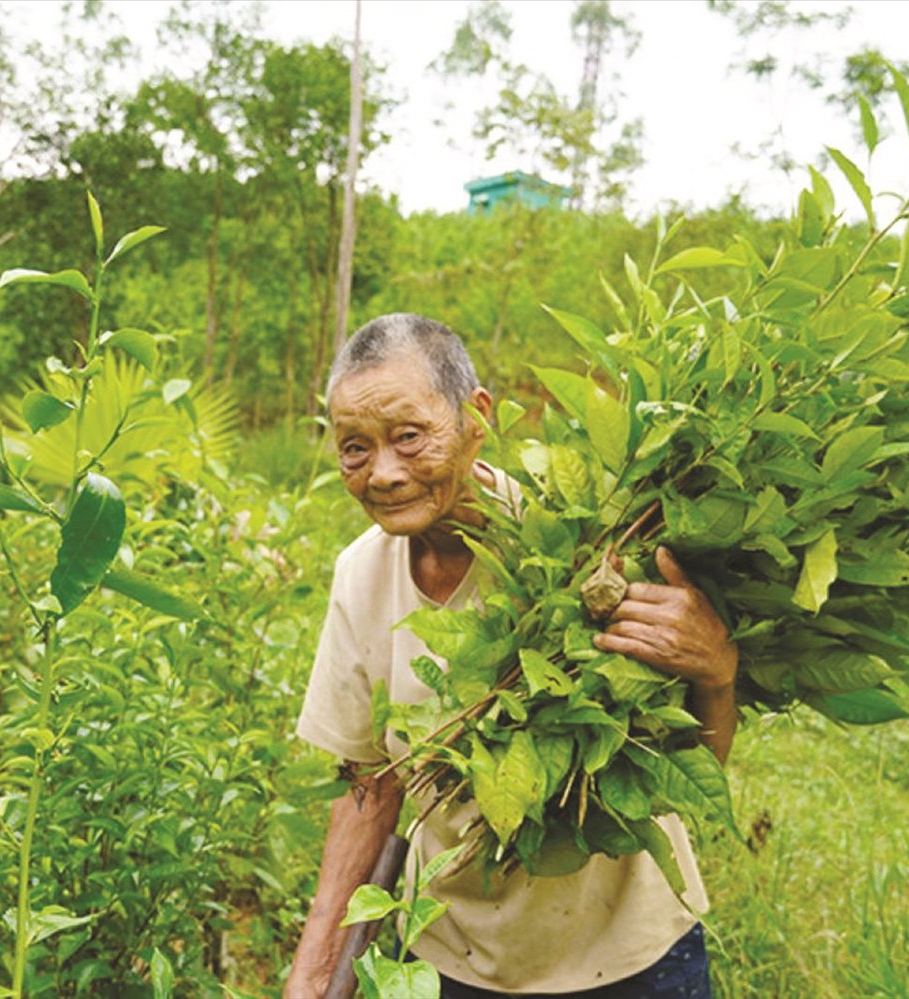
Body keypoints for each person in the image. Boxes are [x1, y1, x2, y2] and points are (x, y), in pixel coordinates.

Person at [285, 314, 739, 999]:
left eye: (410, 436)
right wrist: (315, 974)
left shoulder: (582, 538)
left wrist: (718, 667)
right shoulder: (361, 573)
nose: (383, 472)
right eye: (354, 447)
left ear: (477, 418)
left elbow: (689, 761)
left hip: (631, 959)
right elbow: (368, 785)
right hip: (449, 955)